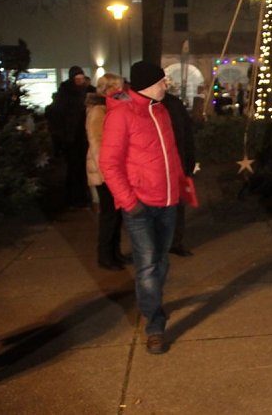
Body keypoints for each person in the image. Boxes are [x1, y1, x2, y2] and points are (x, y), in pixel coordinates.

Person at [99, 61, 185, 355]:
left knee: (160, 260)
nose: (166, 86)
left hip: (168, 201)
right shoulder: (122, 115)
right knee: (147, 265)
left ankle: (153, 303)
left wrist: (180, 186)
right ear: (149, 84)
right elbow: (109, 164)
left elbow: (170, 155)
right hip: (139, 205)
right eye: (162, 81)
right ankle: (155, 324)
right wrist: (129, 202)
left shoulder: (161, 111)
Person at [86, 73, 130, 271]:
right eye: (115, 87)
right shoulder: (99, 110)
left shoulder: (111, 107)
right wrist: (107, 173)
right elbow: (97, 142)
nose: (119, 90)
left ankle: (115, 252)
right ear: (106, 89)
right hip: (104, 172)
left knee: (117, 214)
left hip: (113, 170)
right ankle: (105, 255)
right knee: (109, 215)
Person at [162, 91, 196, 257]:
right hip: (155, 167)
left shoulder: (173, 103)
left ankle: (175, 241)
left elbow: (186, 132)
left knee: (177, 204)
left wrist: (189, 161)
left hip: (177, 162)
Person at [54, 65, 91, 207]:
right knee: (73, 168)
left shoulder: (86, 92)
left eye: (82, 78)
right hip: (72, 137)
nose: (80, 81)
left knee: (82, 168)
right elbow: (60, 116)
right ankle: (73, 197)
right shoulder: (65, 93)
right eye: (78, 79)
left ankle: (82, 195)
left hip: (83, 136)